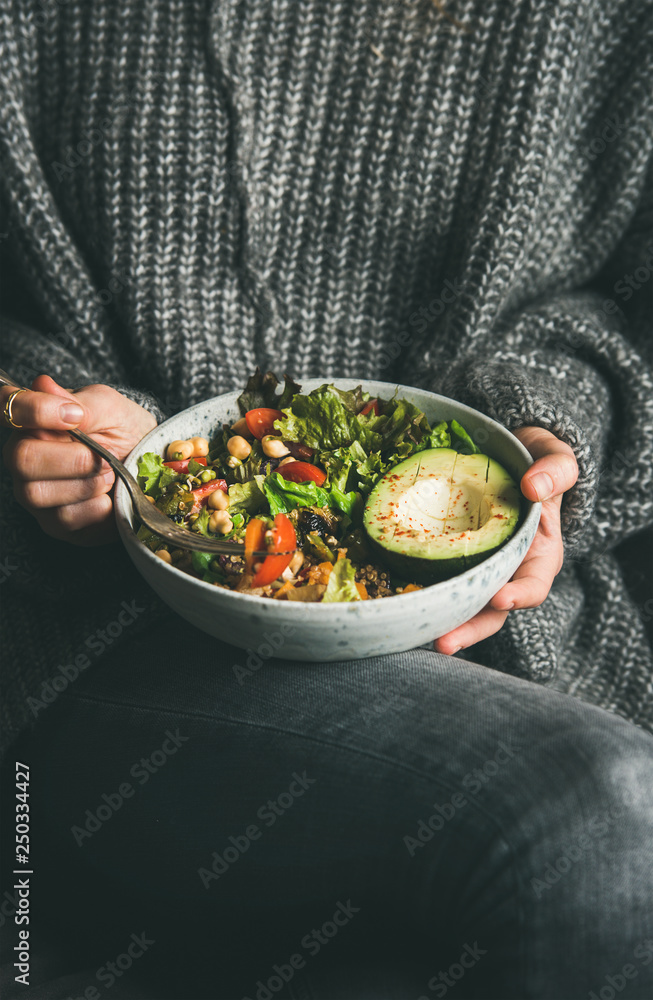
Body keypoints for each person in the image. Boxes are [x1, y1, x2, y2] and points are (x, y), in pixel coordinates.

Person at [1, 0, 652, 997]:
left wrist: (553, 430)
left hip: (520, 621)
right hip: (105, 630)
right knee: (595, 819)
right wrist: (57, 426)